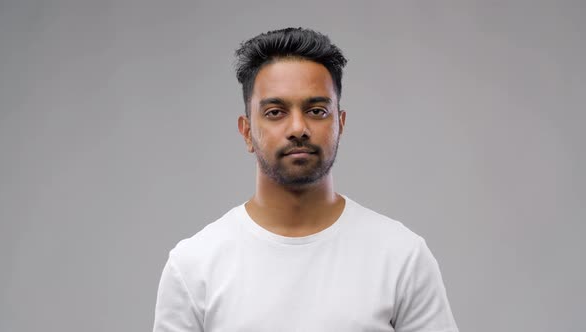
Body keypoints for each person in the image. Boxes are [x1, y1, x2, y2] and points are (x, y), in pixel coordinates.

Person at [153, 27, 459, 332]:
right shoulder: (193, 266)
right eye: (275, 112)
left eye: (316, 110)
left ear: (340, 123)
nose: (298, 127)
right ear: (246, 131)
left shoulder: (402, 257)